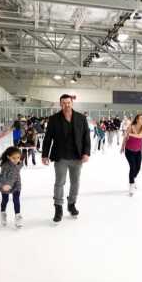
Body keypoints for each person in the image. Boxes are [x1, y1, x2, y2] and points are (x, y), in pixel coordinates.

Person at [41, 94, 91, 223]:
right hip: (60, 156)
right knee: (60, 182)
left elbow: (86, 137)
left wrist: (86, 153)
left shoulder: (81, 118)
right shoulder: (54, 119)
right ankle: (58, 208)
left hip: (77, 157)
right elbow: (48, 138)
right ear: (60, 104)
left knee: (75, 182)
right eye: (63, 103)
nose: (66, 105)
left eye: (68, 103)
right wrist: (44, 155)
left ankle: (71, 204)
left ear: (72, 103)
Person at [121, 114, 142, 196]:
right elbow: (125, 138)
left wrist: (129, 134)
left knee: (138, 168)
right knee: (132, 167)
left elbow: (140, 136)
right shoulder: (131, 127)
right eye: (141, 119)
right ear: (137, 120)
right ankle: (131, 185)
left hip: (138, 151)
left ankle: (133, 178)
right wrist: (122, 147)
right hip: (129, 151)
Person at [0, 146, 23, 228]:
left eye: (18, 157)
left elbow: (20, 165)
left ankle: (18, 216)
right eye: (14, 158)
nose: (16, 160)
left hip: (16, 184)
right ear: (8, 157)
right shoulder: (5, 166)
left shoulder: (19, 163)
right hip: (6, 185)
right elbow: (1, 177)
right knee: (5, 200)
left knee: (16, 200)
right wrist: (5, 184)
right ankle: (3, 213)